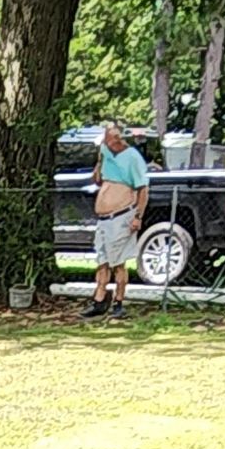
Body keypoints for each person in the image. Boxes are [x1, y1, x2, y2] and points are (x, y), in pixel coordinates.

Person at [83, 122, 149, 321]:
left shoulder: (133, 158)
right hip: (103, 219)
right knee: (102, 261)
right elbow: (97, 179)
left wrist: (138, 216)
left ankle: (119, 302)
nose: (109, 143)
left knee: (118, 263)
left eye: (111, 140)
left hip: (121, 216)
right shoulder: (105, 152)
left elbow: (143, 190)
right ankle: (99, 298)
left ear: (118, 139)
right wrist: (100, 161)